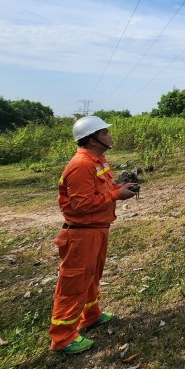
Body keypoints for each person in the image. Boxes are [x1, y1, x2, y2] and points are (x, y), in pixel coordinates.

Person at [49, 116, 138, 355]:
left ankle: (90, 315)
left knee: (91, 277)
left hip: (97, 230)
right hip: (81, 235)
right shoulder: (81, 165)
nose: (109, 136)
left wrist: (119, 188)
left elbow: (104, 188)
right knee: (74, 284)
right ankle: (63, 338)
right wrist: (115, 196)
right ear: (92, 139)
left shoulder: (98, 161)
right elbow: (81, 204)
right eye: (105, 133)